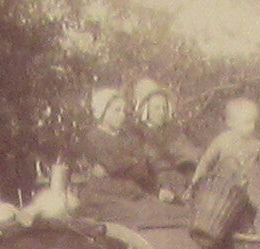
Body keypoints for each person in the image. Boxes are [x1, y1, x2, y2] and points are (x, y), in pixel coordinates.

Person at [78, 86, 187, 227]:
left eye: (124, 111)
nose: (122, 115)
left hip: (133, 194)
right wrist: (132, 162)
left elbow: (141, 169)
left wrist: (158, 190)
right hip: (105, 198)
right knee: (150, 215)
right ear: (102, 112)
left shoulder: (128, 137)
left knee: (176, 212)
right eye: (116, 111)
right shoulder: (93, 137)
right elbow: (112, 165)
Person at [189, 98, 260, 236]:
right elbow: (206, 161)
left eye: (253, 122)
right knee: (234, 217)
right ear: (230, 123)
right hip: (230, 192)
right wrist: (196, 180)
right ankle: (242, 238)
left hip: (254, 190)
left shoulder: (256, 144)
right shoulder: (222, 141)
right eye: (247, 122)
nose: (252, 126)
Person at [133, 78, 200, 199]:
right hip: (156, 181)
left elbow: (188, 154)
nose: (161, 112)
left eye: (164, 108)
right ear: (146, 110)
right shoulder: (138, 133)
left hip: (180, 177)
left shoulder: (173, 131)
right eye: (157, 108)